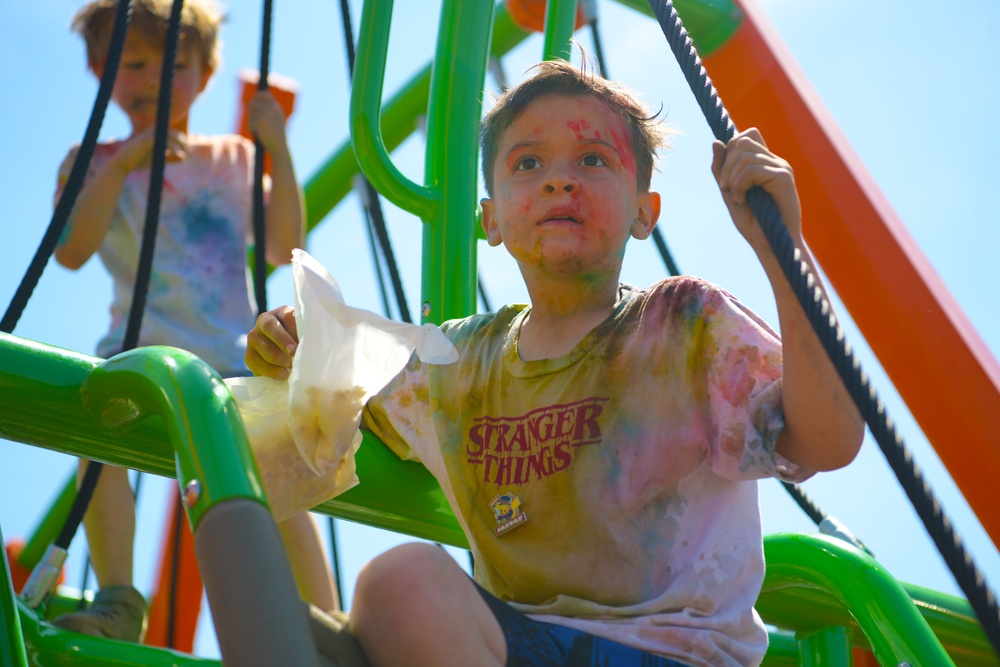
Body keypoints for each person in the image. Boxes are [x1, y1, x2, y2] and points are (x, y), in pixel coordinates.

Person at [246, 59, 864, 667]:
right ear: (491, 219)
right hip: (524, 645)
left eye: (593, 159)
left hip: (676, 651)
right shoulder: (455, 365)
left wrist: (784, 252)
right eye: (527, 163)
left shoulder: (683, 326)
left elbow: (828, 441)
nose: (557, 181)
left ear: (645, 212)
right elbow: (333, 374)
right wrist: (289, 346)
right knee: (396, 582)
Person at [50, 0, 338, 642]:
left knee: (279, 466)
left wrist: (279, 153)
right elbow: (70, 250)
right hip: (136, 352)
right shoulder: (89, 162)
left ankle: (329, 617)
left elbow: (283, 241)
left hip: (230, 362)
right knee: (91, 450)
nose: (150, 78)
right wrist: (127, 161)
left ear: (205, 75)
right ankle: (121, 601)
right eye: (131, 64)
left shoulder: (232, 158)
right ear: (101, 73)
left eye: (172, 64)